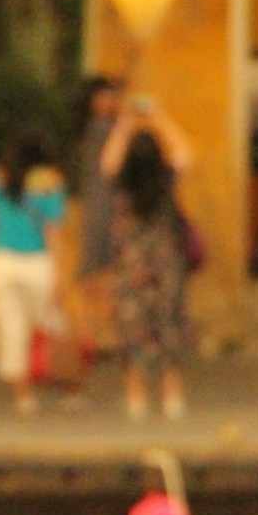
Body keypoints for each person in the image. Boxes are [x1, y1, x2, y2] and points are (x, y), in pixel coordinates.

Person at [99, 96, 195, 420]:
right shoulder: (166, 179)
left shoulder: (122, 184)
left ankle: (135, 395)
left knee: (131, 328)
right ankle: (173, 394)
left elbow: (107, 162)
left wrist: (125, 124)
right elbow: (185, 153)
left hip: (131, 266)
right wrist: (159, 118)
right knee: (170, 325)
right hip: (167, 264)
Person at [0, 129, 69, 416]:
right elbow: (54, 232)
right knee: (53, 325)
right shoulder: (50, 182)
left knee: (11, 328)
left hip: (1, 261)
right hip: (37, 262)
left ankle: (23, 396)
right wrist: (59, 274)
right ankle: (68, 386)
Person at [72, 76, 124, 345]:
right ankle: (92, 334)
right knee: (98, 273)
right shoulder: (102, 128)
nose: (110, 101)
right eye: (104, 96)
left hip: (102, 204)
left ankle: (94, 333)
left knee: (101, 273)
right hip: (101, 205)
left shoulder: (95, 127)